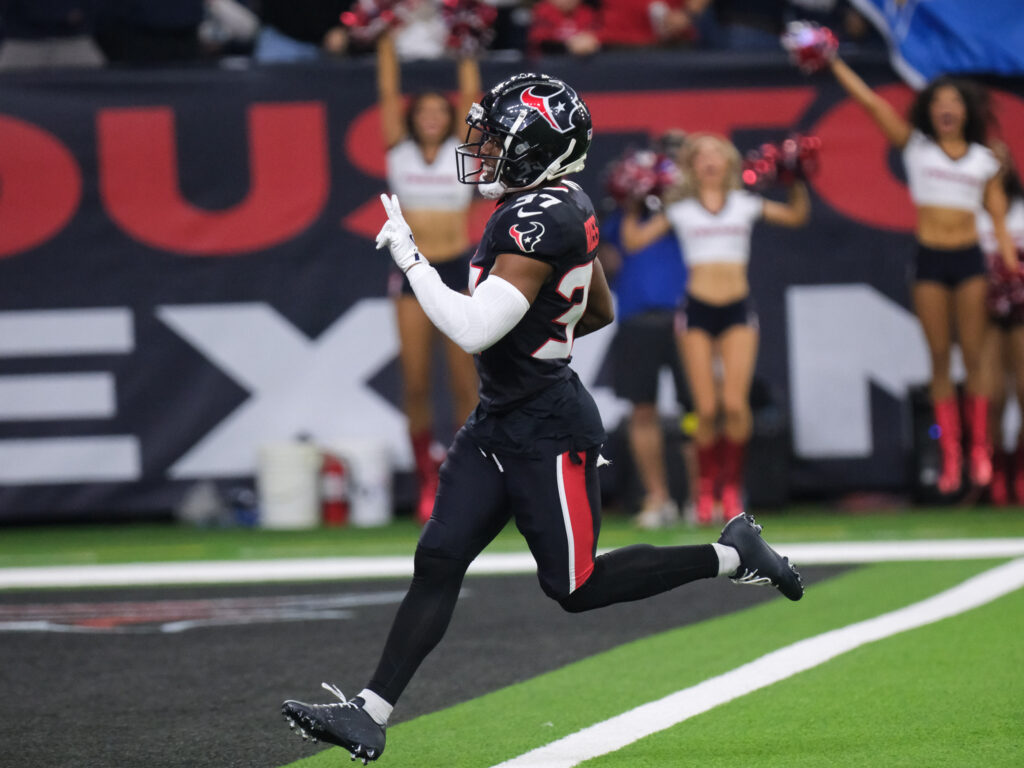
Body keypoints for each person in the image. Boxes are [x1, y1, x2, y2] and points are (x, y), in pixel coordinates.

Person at [281, 73, 804, 764]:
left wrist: (410, 255)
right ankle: (369, 713)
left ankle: (734, 555)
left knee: (576, 586)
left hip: (548, 430)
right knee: (438, 559)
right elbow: (598, 308)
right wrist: (540, 337)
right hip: (499, 417)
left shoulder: (539, 218)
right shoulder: (553, 203)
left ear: (537, 148)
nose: (483, 153)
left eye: (496, 141)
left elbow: (472, 329)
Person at [814, 43, 1017, 495]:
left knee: (976, 356)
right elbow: (872, 105)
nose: (946, 108)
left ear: (966, 112)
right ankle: (951, 456)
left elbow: (999, 220)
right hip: (930, 259)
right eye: (939, 101)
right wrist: (834, 62)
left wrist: (1011, 267)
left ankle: (980, 450)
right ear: (929, 110)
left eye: (954, 102)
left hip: (970, 260)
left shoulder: (986, 159)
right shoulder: (916, 147)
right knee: (939, 357)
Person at [620, 133, 810, 524]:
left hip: (737, 308)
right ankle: (706, 490)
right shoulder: (681, 209)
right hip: (697, 310)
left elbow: (796, 217)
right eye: (701, 156)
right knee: (705, 408)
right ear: (691, 166)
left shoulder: (745, 204)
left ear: (729, 163)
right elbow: (634, 241)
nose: (709, 161)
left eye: (716, 155)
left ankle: (732, 489)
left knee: (735, 405)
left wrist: (795, 180)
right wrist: (634, 200)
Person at [376, 29, 481, 523]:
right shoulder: (398, 151)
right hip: (412, 272)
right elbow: (386, 90)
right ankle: (425, 481)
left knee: (464, 384)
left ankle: (463, 480)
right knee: (416, 382)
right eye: (425, 111)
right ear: (413, 117)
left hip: (457, 268)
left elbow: (472, 96)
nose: (434, 117)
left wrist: (467, 44)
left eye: (442, 110)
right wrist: (384, 38)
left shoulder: (464, 151)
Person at [600, 143, 692, 528]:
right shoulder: (619, 220)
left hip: (685, 320)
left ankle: (702, 497)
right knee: (642, 410)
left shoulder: (685, 213)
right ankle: (658, 497)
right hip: (636, 320)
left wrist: (666, 198)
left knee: (696, 411)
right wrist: (631, 203)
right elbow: (612, 257)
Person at [979, 146, 1024, 504]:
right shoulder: (969, 214)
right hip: (986, 310)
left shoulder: (1022, 209)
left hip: (1022, 308)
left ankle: (1020, 468)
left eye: (1001, 158)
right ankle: (994, 471)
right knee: (992, 394)